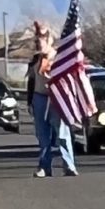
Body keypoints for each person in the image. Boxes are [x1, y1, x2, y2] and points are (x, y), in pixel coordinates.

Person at [28, 24, 77, 178]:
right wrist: (30, 101)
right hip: (39, 98)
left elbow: (69, 79)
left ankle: (69, 165)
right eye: (37, 41)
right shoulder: (35, 59)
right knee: (42, 135)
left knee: (62, 133)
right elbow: (31, 81)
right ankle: (44, 167)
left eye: (41, 41)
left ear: (49, 40)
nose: (38, 44)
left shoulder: (60, 58)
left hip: (56, 99)